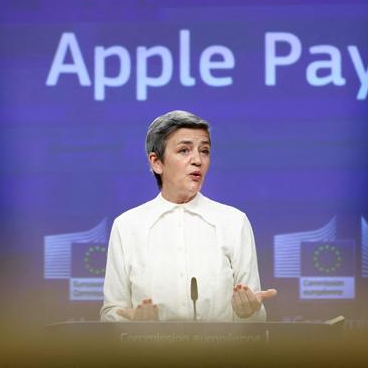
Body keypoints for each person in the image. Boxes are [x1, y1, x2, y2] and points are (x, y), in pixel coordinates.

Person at [100, 110, 277, 321]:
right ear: (156, 162)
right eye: (184, 150)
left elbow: (254, 316)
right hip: (150, 352)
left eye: (204, 151)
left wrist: (248, 312)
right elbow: (111, 313)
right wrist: (133, 324)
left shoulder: (234, 222)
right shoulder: (128, 226)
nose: (198, 160)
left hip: (220, 352)